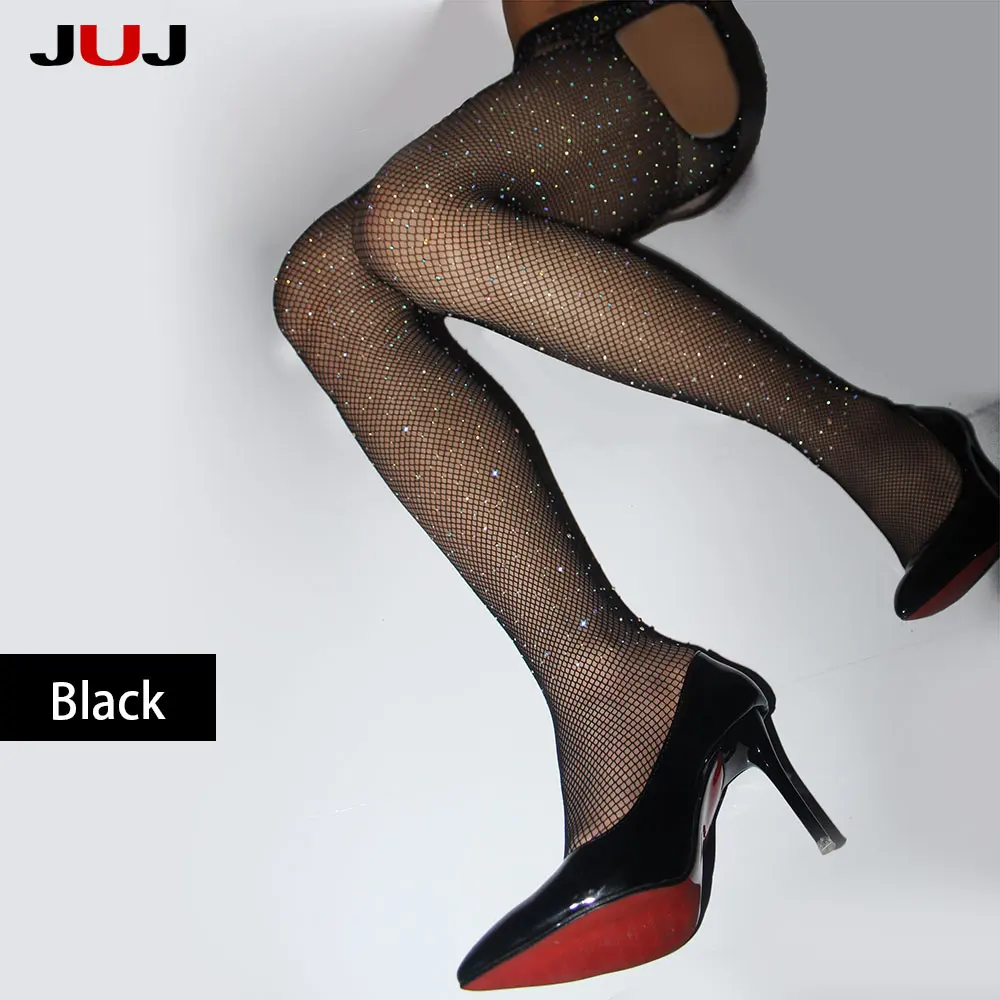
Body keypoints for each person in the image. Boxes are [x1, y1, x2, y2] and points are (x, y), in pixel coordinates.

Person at [271, 0, 999, 989]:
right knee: (324, 286)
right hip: (554, 80)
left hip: (651, 43)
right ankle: (615, 685)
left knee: (415, 220)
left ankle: (888, 446)